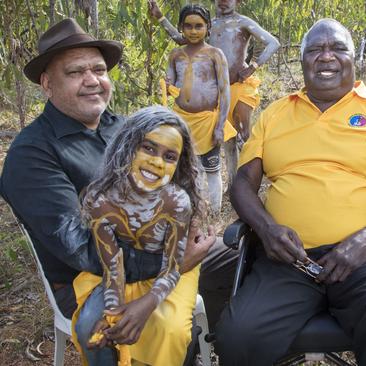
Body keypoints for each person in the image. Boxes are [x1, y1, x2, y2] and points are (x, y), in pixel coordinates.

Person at [0, 17, 236, 352]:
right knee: (138, 329)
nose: (92, 81)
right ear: (47, 84)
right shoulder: (32, 154)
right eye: (75, 72)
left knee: (240, 258)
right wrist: (172, 263)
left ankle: (215, 344)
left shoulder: (124, 127)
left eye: (98, 70)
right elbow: (80, 248)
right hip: (94, 280)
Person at [214, 19, 366, 366]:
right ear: (302, 61)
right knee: (237, 336)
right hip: (289, 259)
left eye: (337, 48)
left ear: (354, 58)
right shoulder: (276, 114)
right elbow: (242, 184)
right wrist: (267, 230)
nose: (326, 57)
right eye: (315, 49)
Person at [72, 106, 203, 365]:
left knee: (169, 330)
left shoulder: (176, 202)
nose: (156, 162)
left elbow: (173, 266)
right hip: (121, 272)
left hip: (171, 271)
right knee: (91, 326)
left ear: (178, 164)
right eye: (149, 148)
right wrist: (112, 311)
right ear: (127, 146)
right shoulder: (100, 200)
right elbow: (112, 266)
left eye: (169, 156)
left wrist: (148, 303)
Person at [149, 0, 280, 190]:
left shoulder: (242, 22)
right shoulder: (208, 25)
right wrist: (161, 18)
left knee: (244, 136)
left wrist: (253, 67)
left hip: (240, 86)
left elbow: (273, 43)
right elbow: (182, 39)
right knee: (227, 138)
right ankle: (234, 184)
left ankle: (256, 182)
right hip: (218, 92)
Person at [165, 4, 231, 212]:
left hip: (208, 122)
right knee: (183, 167)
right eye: (188, 26)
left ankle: (214, 212)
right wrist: (167, 87)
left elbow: (225, 92)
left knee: (212, 168)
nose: (193, 31)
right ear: (181, 28)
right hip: (181, 120)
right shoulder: (176, 55)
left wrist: (220, 125)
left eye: (198, 26)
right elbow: (171, 86)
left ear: (208, 27)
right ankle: (187, 209)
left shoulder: (215, 54)